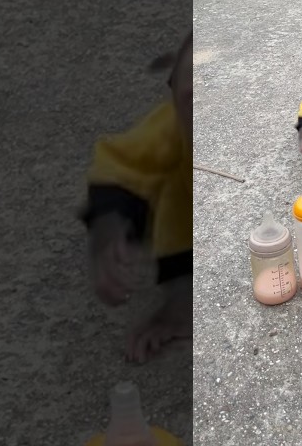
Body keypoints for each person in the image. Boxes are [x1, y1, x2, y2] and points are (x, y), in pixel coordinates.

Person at [79, 30, 192, 363]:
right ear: (173, 96)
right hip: (183, 209)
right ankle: (179, 309)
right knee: (169, 200)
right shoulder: (169, 128)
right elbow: (118, 170)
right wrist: (108, 233)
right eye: (192, 102)